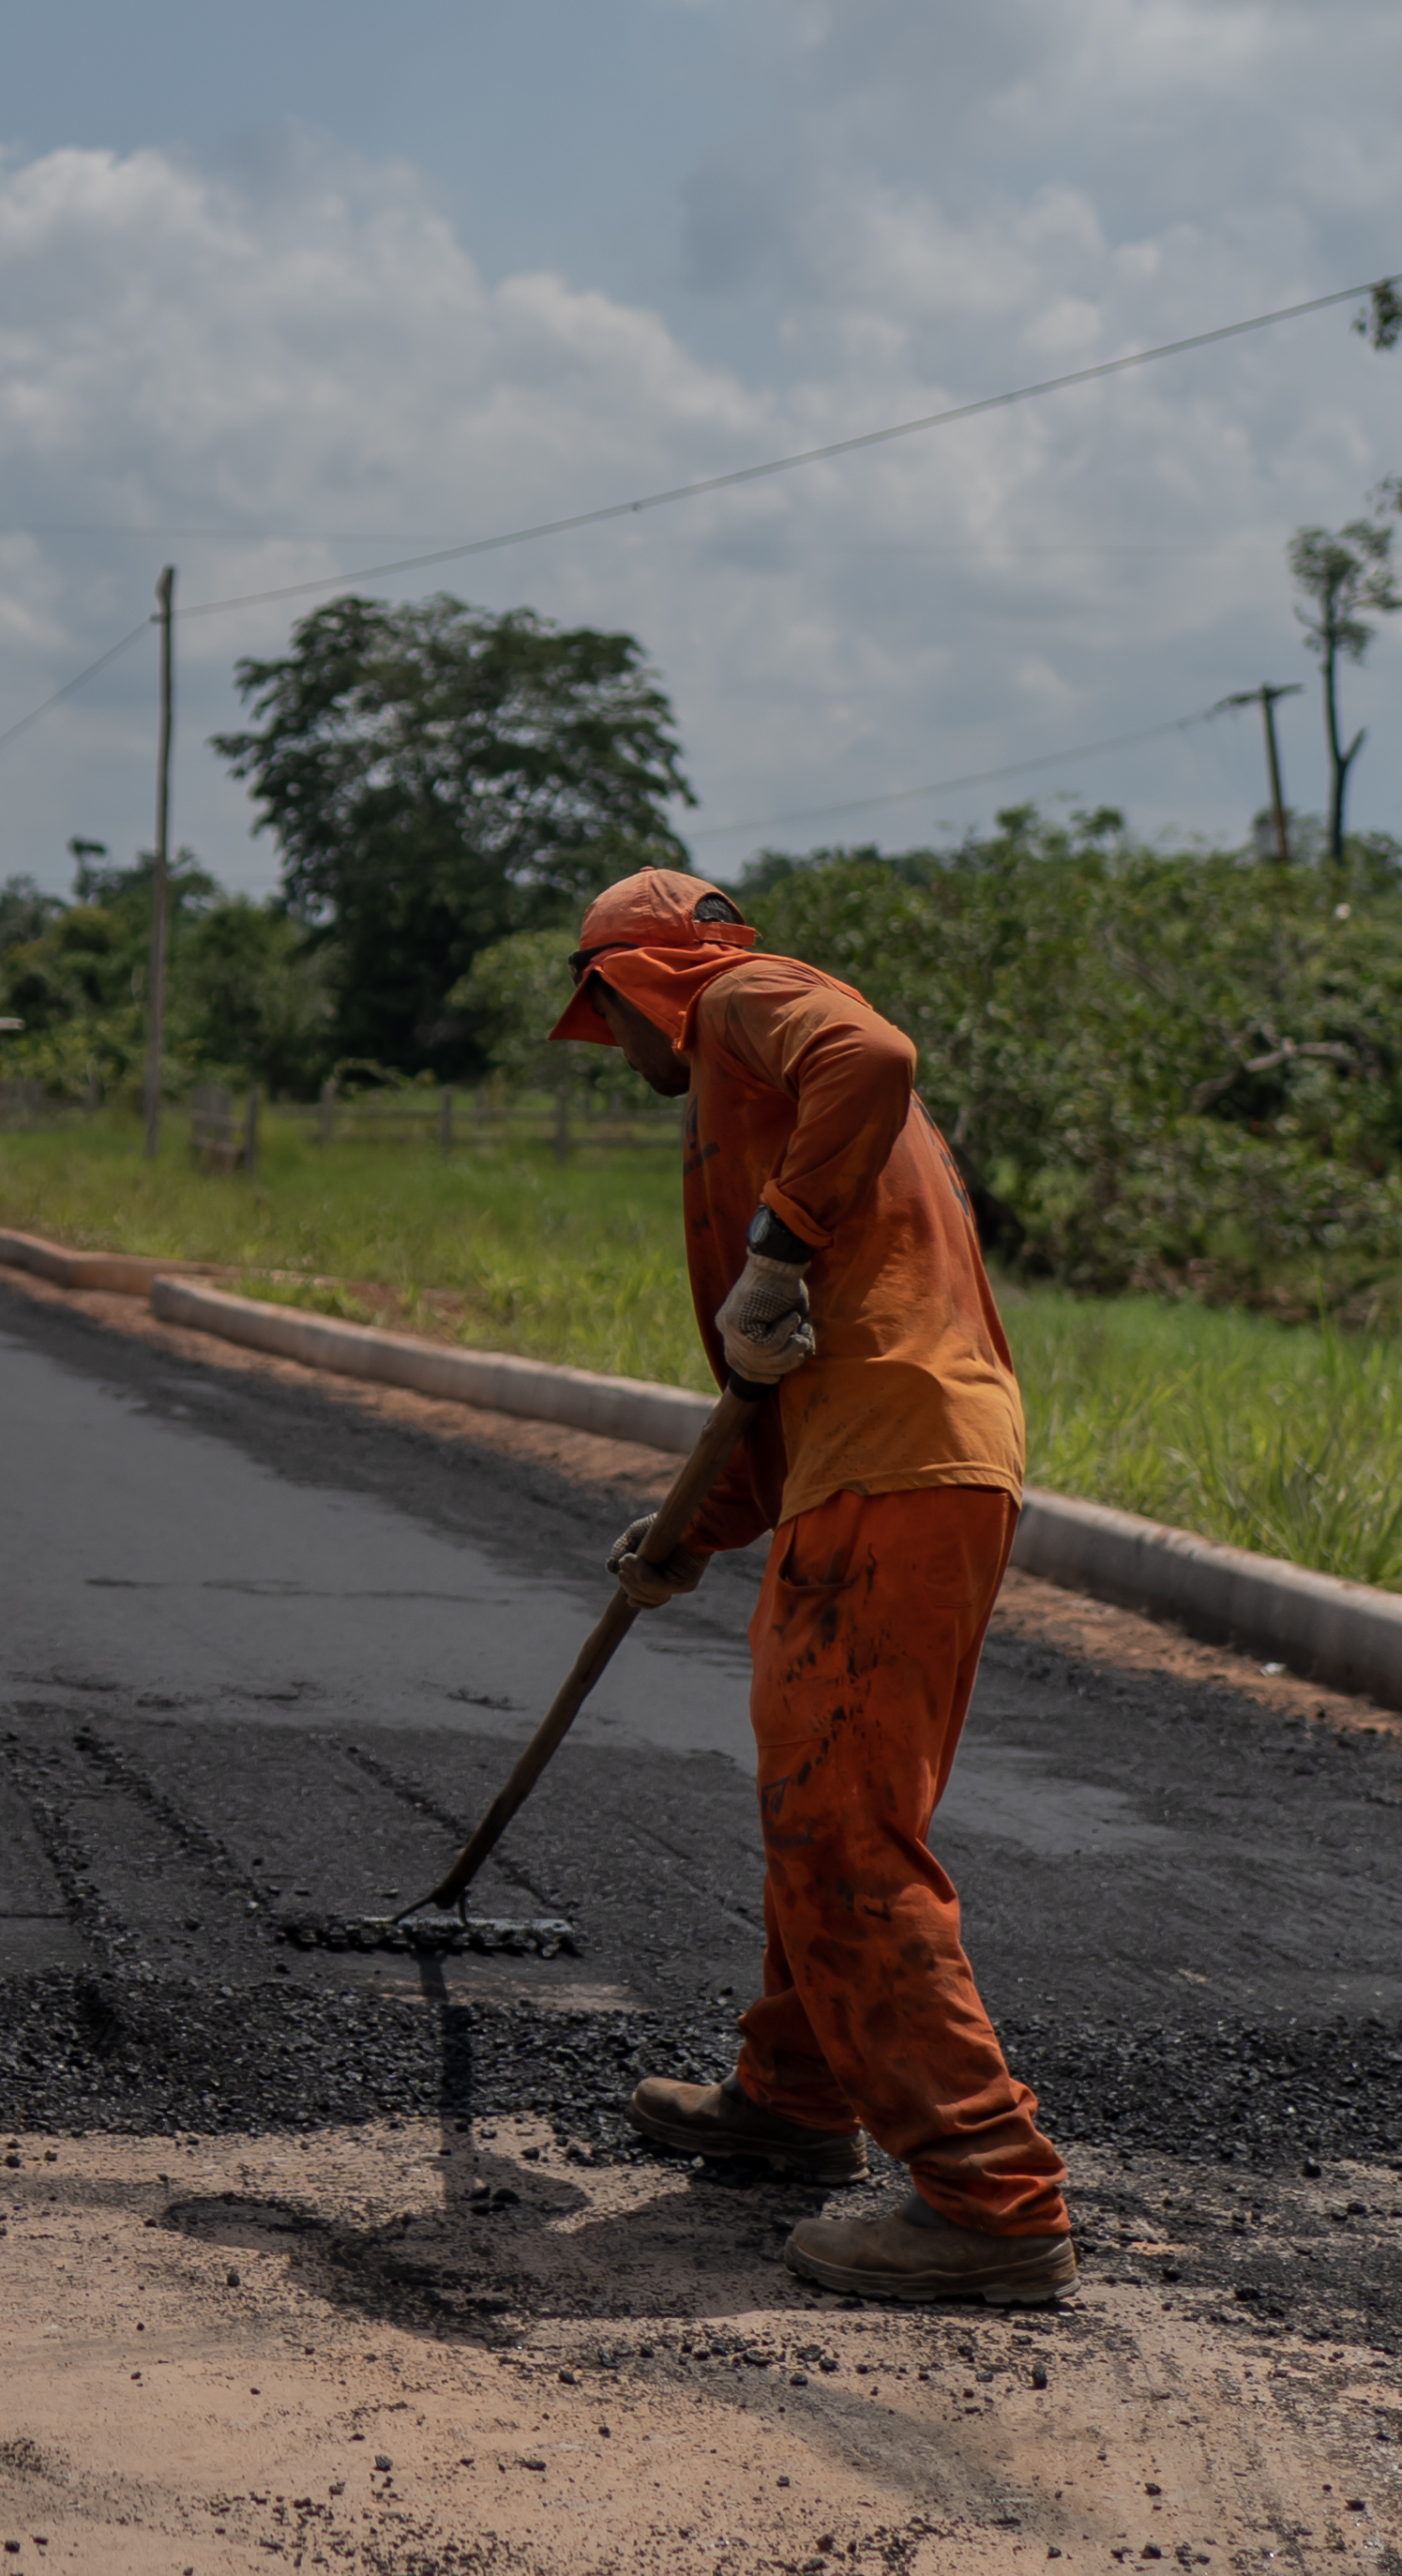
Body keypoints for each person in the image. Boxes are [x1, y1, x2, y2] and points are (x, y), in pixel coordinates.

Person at [553, 869, 1078, 2305]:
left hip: (900, 1456)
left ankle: (991, 2195)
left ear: (634, 980)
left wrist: (776, 1256)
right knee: (818, 1787)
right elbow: (758, 1400)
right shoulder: (755, 1112)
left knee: (843, 1824)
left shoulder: (743, 1002)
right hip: (872, 1449)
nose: (620, 1051)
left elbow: (879, 1051)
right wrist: (685, 1536)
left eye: (606, 1013)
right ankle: (793, 2093)